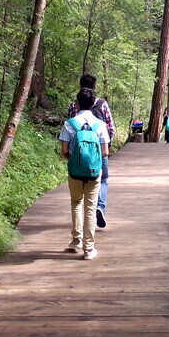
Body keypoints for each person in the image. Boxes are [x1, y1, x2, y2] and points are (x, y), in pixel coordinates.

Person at [59, 88, 110, 260]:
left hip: (74, 172)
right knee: (90, 207)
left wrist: (75, 161)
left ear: (77, 103)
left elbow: (64, 151)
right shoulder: (100, 125)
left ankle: (76, 240)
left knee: (76, 203)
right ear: (94, 103)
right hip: (94, 173)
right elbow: (105, 152)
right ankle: (89, 249)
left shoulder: (69, 124)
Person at [67, 73, 114, 228]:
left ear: (80, 86)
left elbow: (70, 129)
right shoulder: (102, 103)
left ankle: (79, 226)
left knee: (78, 191)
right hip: (100, 151)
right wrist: (105, 144)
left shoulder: (74, 105)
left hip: (77, 156)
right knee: (103, 180)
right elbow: (110, 127)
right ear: (95, 87)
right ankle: (99, 206)